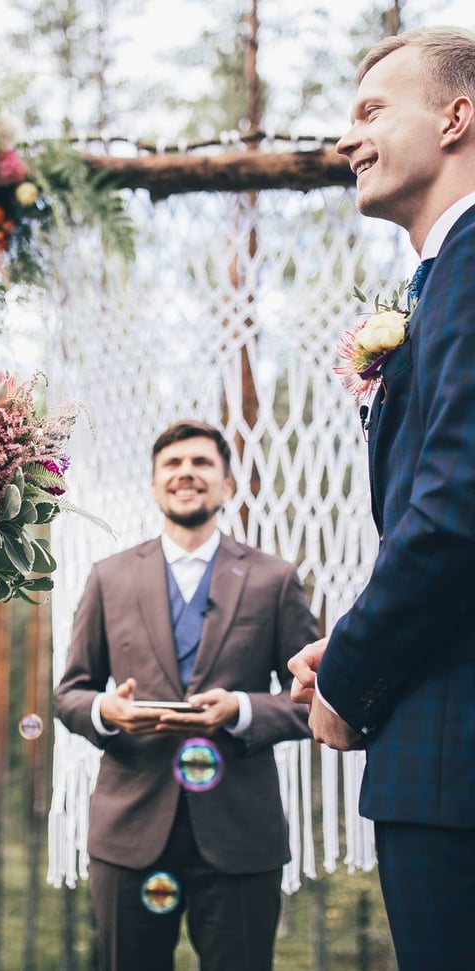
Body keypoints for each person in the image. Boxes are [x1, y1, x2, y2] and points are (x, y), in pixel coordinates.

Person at [287, 27, 475, 971]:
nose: (345, 138)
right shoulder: (442, 278)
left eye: (369, 112)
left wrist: (351, 676)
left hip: (455, 755)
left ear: (457, 116)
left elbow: (455, 513)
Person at [54, 419, 318, 971]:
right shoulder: (110, 577)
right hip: (128, 833)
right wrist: (107, 710)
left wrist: (240, 709)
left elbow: (317, 696)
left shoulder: (274, 579)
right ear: (154, 486)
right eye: (172, 465)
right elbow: (71, 694)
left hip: (241, 836)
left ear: (227, 485)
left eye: (201, 463)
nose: (186, 474)